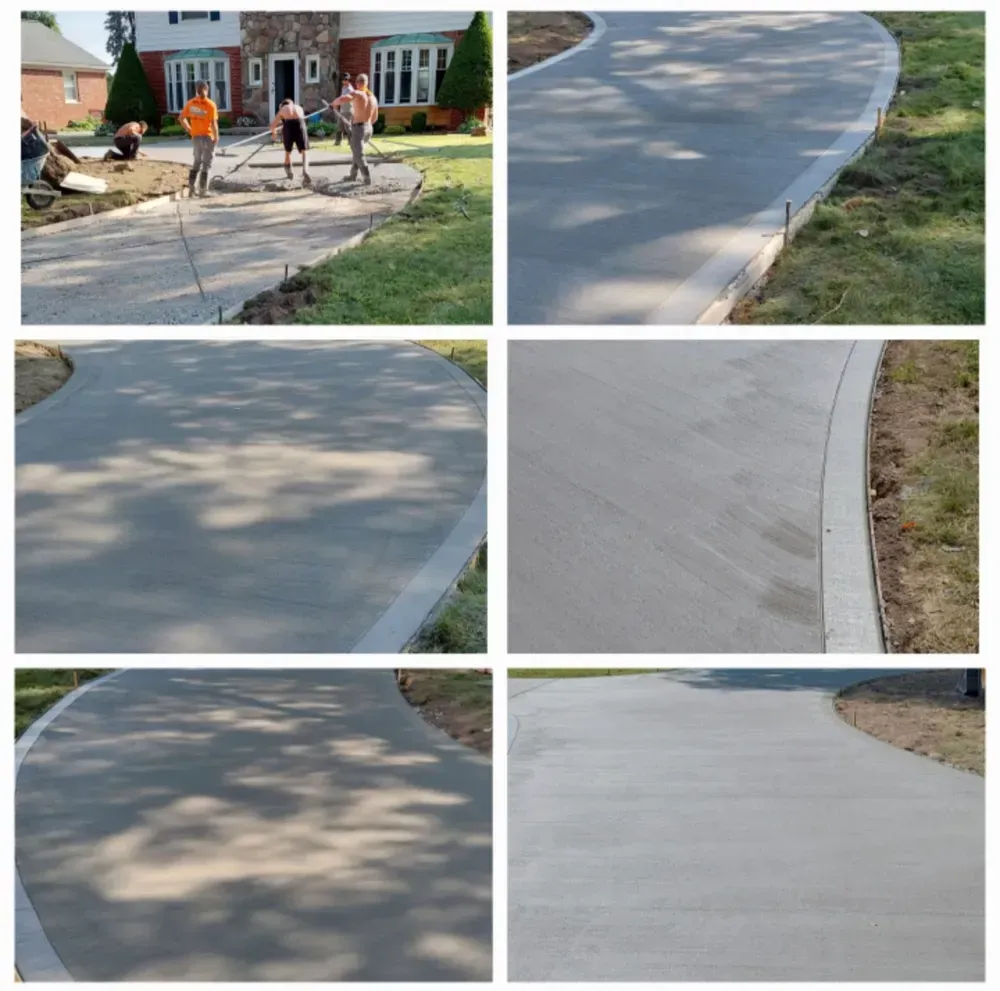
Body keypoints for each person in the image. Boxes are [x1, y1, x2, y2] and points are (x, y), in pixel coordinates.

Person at [332, 73, 378, 185]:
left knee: (358, 155)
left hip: (359, 129)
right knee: (356, 153)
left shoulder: (357, 93)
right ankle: (353, 175)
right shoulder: (373, 97)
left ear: (357, 83)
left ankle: (367, 179)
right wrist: (366, 125)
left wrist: (333, 104)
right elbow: (375, 117)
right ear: (366, 83)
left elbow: (343, 98)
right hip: (369, 128)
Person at [179, 81, 219, 197]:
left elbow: (181, 118)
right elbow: (213, 124)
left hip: (196, 137)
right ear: (207, 89)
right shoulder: (210, 104)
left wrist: (190, 129)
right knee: (206, 163)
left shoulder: (191, 104)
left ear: (196, 90)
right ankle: (203, 191)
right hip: (207, 136)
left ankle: (192, 189)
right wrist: (216, 136)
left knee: (197, 161)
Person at [270, 98, 310, 184]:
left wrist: (274, 134)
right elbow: (301, 119)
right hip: (300, 124)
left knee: (288, 151)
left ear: (283, 105)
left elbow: (273, 125)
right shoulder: (299, 107)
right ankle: (305, 170)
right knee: (304, 151)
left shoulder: (283, 109)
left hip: (288, 126)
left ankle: (290, 172)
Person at [334, 72, 354, 147]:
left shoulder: (350, 89)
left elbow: (345, 99)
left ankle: (352, 141)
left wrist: (336, 103)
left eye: (346, 80)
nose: (344, 81)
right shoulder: (343, 88)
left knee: (348, 127)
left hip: (348, 110)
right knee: (339, 126)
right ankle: (338, 141)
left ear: (348, 80)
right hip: (342, 110)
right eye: (343, 80)